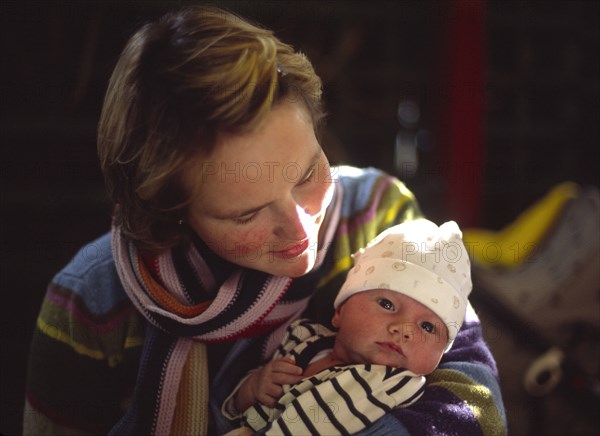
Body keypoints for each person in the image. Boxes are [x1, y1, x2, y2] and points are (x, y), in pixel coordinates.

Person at [23, 6, 506, 436]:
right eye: (246, 214)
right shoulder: (90, 301)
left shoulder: (381, 219)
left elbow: (476, 401)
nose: (300, 232)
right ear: (169, 215)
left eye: (307, 173)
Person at [223, 220, 473, 434]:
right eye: (387, 304)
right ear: (339, 312)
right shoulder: (303, 337)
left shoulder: (396, 383)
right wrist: (252, 388)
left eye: (428, 327)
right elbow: (231, 411)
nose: (404, 328)